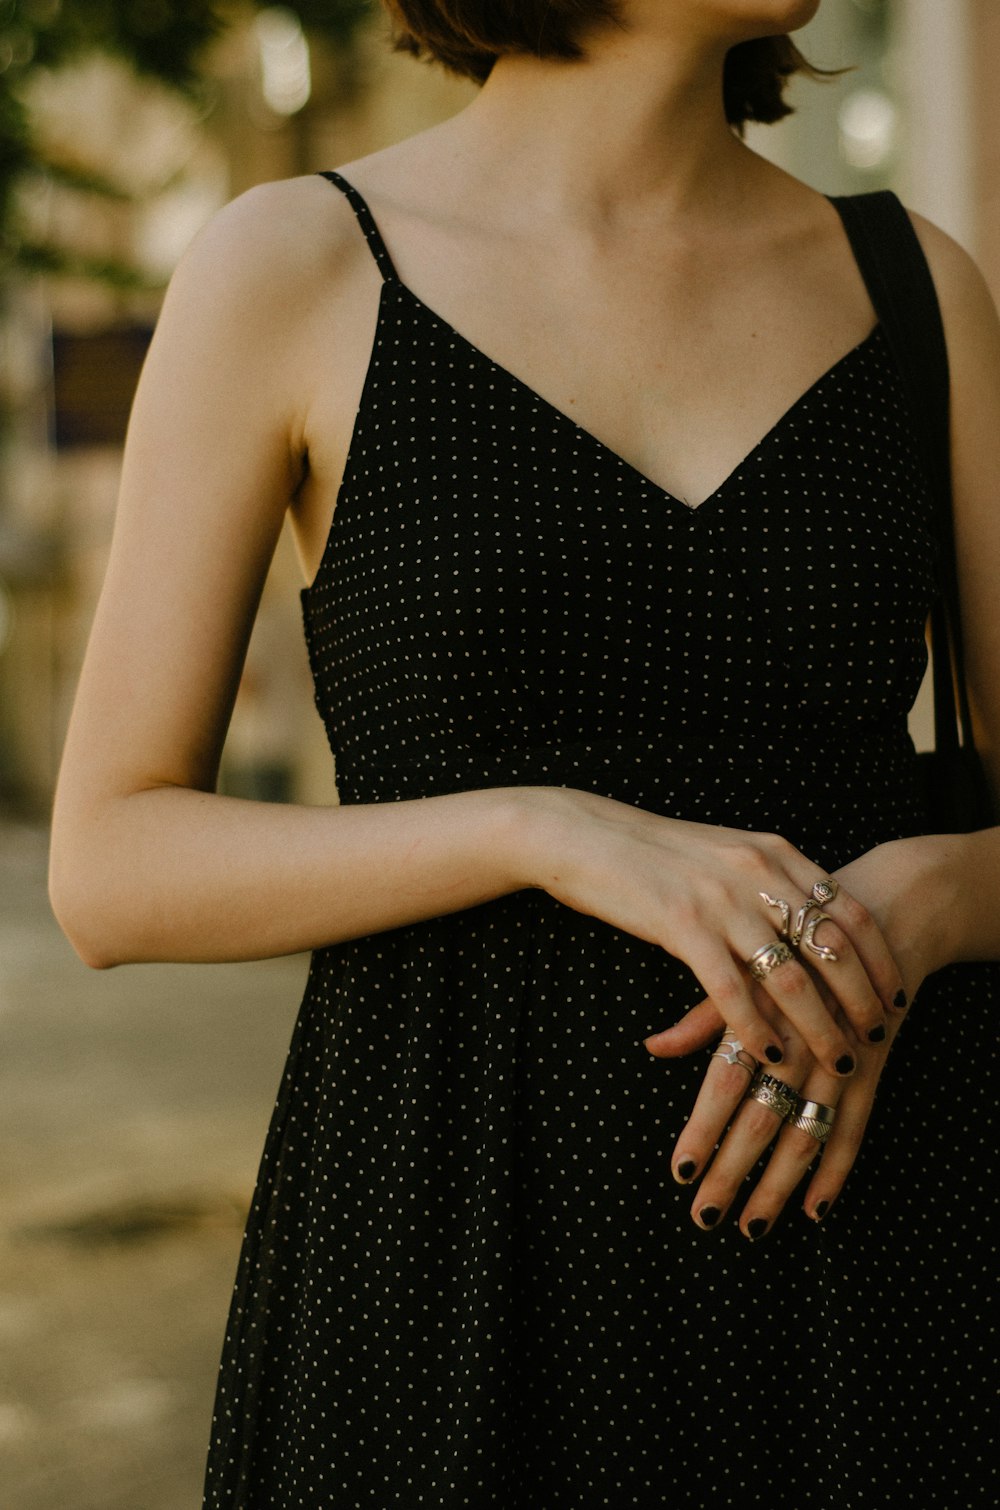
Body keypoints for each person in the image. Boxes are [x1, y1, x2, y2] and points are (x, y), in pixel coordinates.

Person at [48, 0, 1000, 1504]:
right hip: (444, 1253)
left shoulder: (918, 286)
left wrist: (934, 899)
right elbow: (109, 864)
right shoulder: (297, 263)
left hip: (868, 1254)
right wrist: (546, 827)